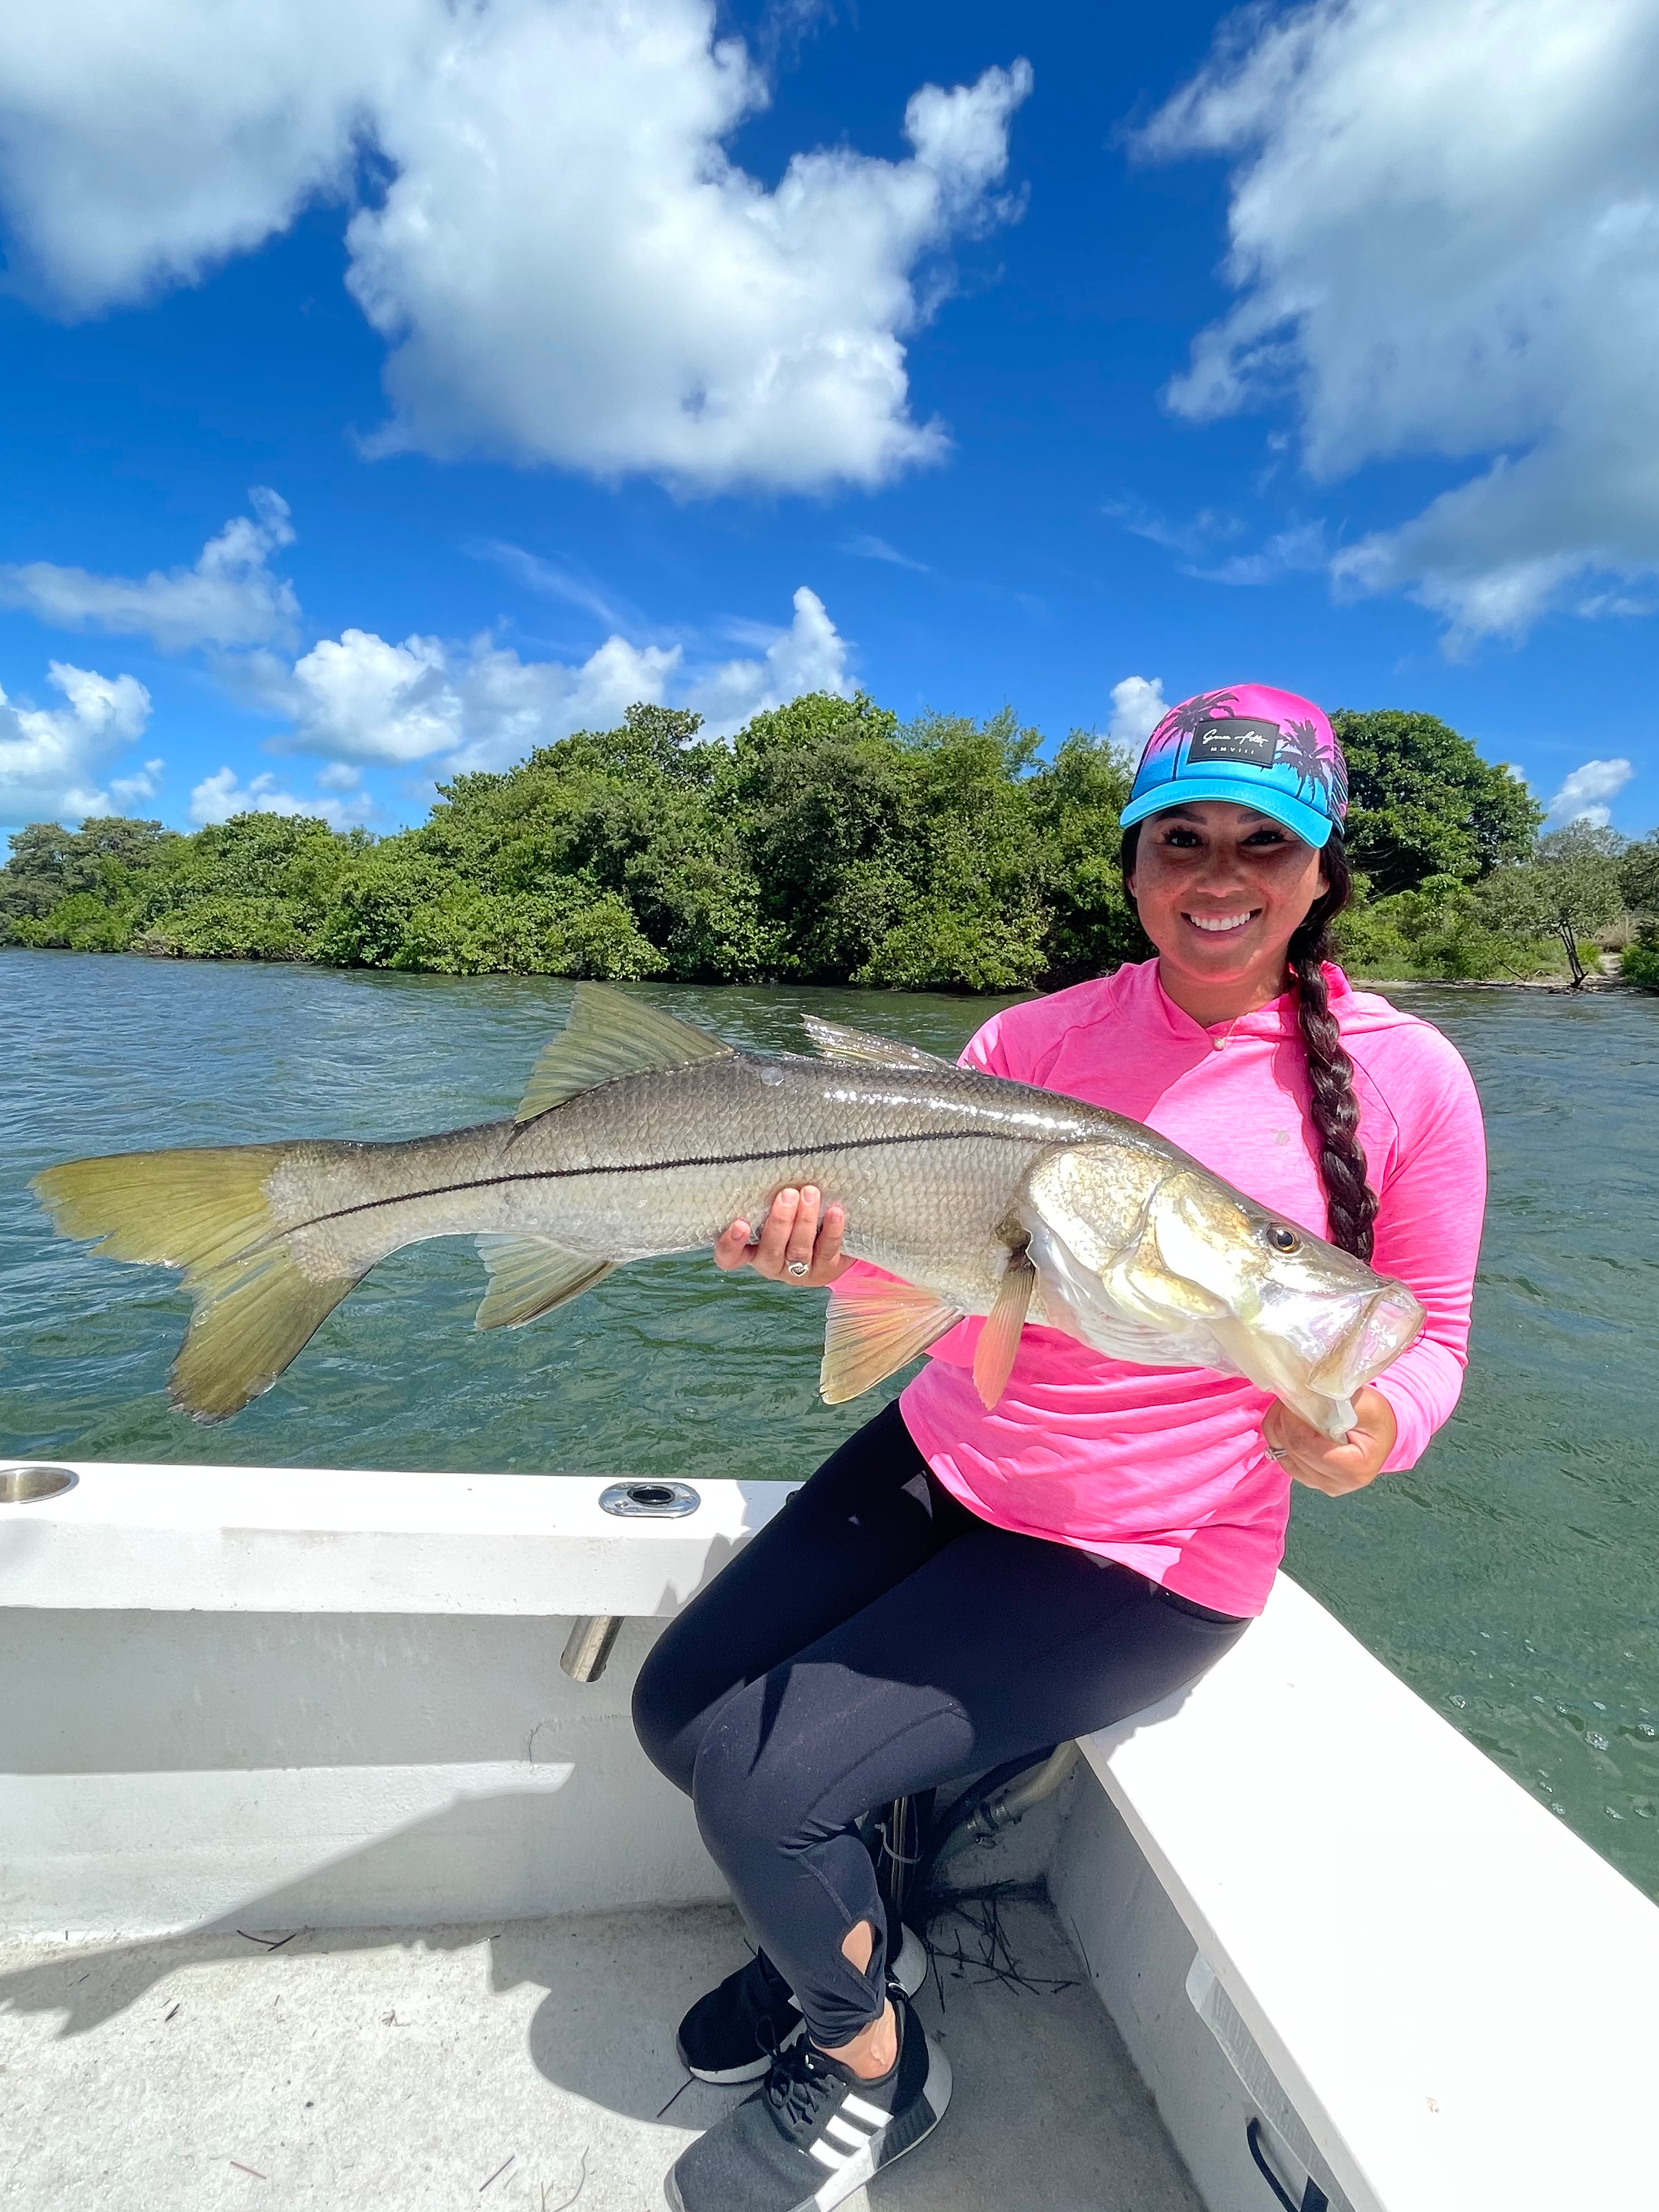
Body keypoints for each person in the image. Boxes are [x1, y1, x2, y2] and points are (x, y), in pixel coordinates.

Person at [632, 683, 1486, 2212]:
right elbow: (930, 1266)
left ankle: (875, 2070)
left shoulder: (1412, 1076)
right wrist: (813, 1252)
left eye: (1261, 845)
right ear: (1135, 856)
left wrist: (1368, 1438)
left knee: (767, 1795)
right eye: (1181, 838)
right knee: (677, 1702)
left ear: (1320, 870)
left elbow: (1428, 1338)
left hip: (1145, 1553)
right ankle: (842, 1942)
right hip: (947, 1454)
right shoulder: (1032, 1034)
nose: (1217, 876)